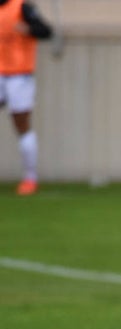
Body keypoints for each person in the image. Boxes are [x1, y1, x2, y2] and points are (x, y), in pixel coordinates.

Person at [0, 0, 52, 196]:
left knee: (21, 123)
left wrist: (28, 29)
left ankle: (30, 178)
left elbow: (46, 31)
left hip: (18, 74)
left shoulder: (22, 7)